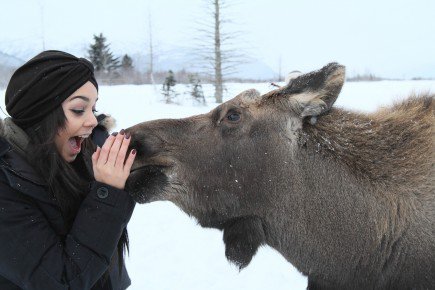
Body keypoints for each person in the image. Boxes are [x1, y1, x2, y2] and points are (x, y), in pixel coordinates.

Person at [0, 50, 136, 290]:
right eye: (78, 110)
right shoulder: (6, 184)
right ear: (40, 114)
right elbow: (61, 280)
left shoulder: (81, 152)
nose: (92, 120)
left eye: (93, 108)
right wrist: (107, 194)